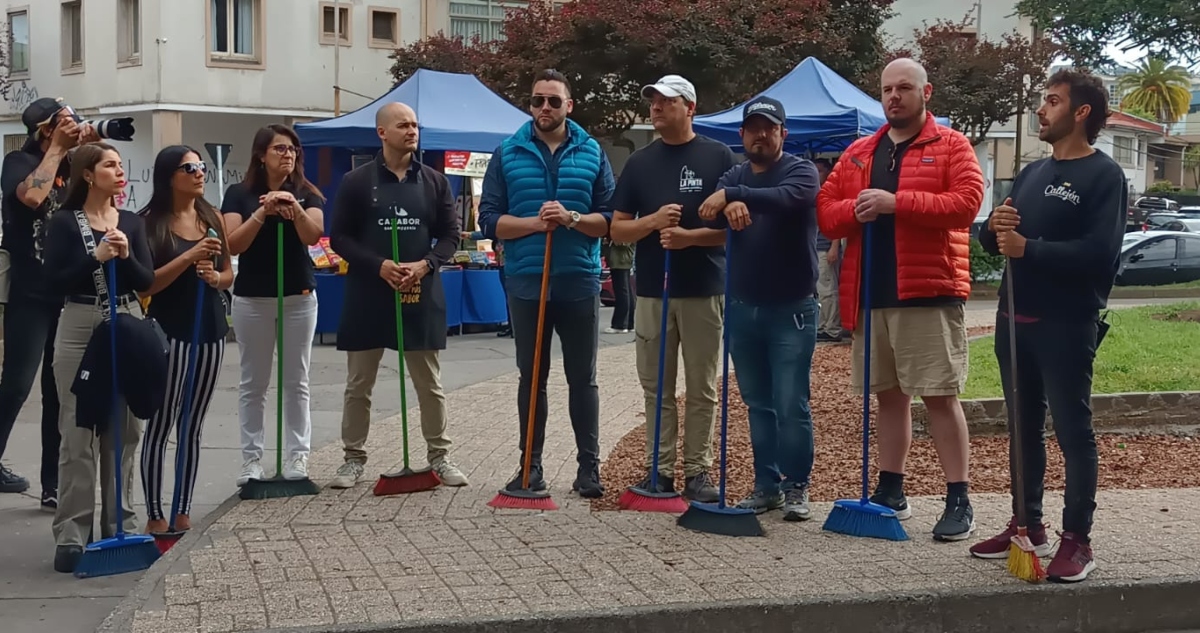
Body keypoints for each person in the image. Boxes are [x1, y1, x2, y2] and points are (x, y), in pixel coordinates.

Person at [816, 58, 984, 541]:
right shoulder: (859, 153)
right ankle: (891, 489)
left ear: (925, 92)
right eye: (887, 89)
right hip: (872, 296)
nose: (894, 96)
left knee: (939, 395)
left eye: (904, 88)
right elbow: (827, 214)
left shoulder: (951, 145)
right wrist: (858, 208)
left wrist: (897, 202)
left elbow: (967, 204)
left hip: (929, 292)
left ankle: (959, 498)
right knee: (888, 398)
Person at [971, 69, 1126, 583]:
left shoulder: (1104, 177)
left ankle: (1077, 539)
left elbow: (1101, 255)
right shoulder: (1034, 173)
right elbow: (996, 238)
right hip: (1013, 321)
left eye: (1052, 101)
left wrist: (1029, 249)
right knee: (1022, 430)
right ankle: (1027, 524)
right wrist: (993, 231)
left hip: (1066, 324)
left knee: (1072, 431)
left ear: (1081, 112)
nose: (1041, 109)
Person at [477, 69, 616, 498]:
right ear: (530, 104)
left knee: (583, 379)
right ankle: (528, 468)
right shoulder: (508, 152)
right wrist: (535, 224)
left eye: (554, 101)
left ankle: (588, 469)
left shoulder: (592, 151)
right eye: (538, 100)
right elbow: (489, 221)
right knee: (531, 378)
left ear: (568, 106)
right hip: (526, 281)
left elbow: (610, 219)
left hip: (578, 279)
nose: (545, 108)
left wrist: (572, 219)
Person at [327, 102, 468, 489]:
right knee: (359, 384)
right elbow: (339, 237)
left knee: (429, 382)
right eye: (403, 125)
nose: (412, 131)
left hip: (419, 291)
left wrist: (425, 265)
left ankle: (439, 456)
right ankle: (352, 459)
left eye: (415, 125)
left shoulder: (435, 182)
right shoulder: (356, 182)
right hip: (368, 293)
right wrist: (379, 265)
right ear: (382, 133)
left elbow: (450, 236)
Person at [609, 75, 735, 503]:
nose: (657, 107)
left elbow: (732, 231)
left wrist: (688, 237)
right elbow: (618, 229)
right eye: (653, 100)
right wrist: (654, 223)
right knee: (656, 388)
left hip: (703, 290)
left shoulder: (719, 157)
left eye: (667, 101)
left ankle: (698, 471)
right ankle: (659, 471)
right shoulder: (640, 163)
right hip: (651, 292)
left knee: (701, 387)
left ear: (690, 107)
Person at [697, 96, 822, 520]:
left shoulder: (801, 171)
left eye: (770, 127)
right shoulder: (733, 172)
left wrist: (732, 194)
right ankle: (766, 486)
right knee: (757, 403)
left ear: (783, 134)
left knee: (790, 402)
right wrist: (727, 200)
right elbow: (708, 214)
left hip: (792, 310)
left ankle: (797, 486)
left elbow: (788, 199)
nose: (761, 134)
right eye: (753, 128)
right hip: (742, 307)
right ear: (742, 135)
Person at [42, 142, 155, 572]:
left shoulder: (131, 222)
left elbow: (146, 278)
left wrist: (125, 256)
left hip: (125, 316)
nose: (119, 171)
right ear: (88, 174)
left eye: (121, 164)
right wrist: (96, 256)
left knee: (124, 429)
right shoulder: (64, 223)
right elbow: (53, 282)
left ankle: (118, 522)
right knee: (76, 428)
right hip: (79, 320)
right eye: (110, 165)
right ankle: (72, 532)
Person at [0, 97, 97, 507]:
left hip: (68, 289)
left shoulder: (74, 166)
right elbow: (32, 198)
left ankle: (53, 484)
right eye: (65, 124)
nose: (74, 128)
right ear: (46, 130)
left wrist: (90, 152)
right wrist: (57, 149)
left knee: (60, 391)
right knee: (17, 384)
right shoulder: (18, 164)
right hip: (30, 292)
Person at [222, 125, 325, 486]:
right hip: (253, 297)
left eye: (293, 149)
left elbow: (313, 235)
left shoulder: (307, 193)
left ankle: (298, 453)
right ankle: (251, 459)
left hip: (297, 295)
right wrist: (262, 214)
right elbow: (232, 244)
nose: (288, 155)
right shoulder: (240, 194)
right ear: (261, 154)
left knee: (297, 379)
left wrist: (294, 208)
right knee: (254, 381)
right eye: (280, 149)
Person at [138, 146, 232, 534]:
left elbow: (229, 275)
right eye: (188, 168)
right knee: (161, 425)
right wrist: (189, 257)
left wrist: (216, 279)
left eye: (201, 166)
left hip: (210, 330)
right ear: (169, 176)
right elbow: (148, 282)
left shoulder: (212, 217)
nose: (198, 173)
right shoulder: (149, 223)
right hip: (169, 331)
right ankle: (155, 512)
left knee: (192, 425)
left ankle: (183, 508)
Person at [812, 158, 844, 343]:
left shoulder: (830, 193)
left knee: (827, 288)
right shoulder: (816, 192)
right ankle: (824, 325)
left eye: (820, 170)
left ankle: (831, 328)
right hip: (816, 246)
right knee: (821, 288)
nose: (816, 174)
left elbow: (837, 222)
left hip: (826, 247)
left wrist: (834, 246)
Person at [602, 236, 635, 334]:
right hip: (623, 259)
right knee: (626, 291)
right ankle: (628, 323)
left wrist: (609, 240)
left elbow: (623, 242)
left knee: (621, 291)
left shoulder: (627, 227)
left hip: (619, 259)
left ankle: (620, 324)